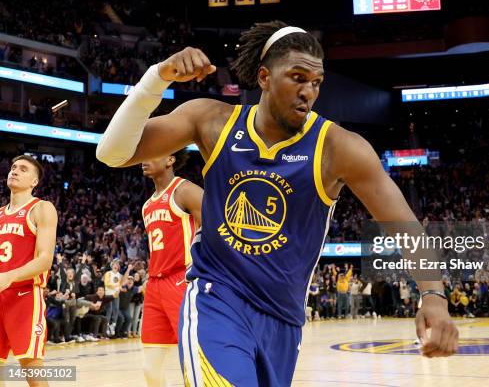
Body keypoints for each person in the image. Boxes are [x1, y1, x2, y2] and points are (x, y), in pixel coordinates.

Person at [96, 20, 458, 386]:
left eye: (316, 83)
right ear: (265, 77)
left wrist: (434, 297)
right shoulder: (212, 121)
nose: (308, 91)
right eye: (297, 77)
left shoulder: (338, 147)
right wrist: (158, 77)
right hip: (216, 297)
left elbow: (404, 225)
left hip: (283, 320)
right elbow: (112, 153)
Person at [140, 151, 202, 387]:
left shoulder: (184, 190)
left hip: (181, 280)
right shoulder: (147, 205)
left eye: (152, 152)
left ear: (170, 159)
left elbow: (215, 224)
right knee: (150, 368)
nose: (144, 159)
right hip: (155, 284)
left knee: (193, 358)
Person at [0, 155, 58, 387]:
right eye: (13, 167)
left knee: (32, 372)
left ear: (34, 181)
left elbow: (44, 259)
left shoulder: (42, 208)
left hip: (25, 297)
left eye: (23, 169)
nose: (15, 171)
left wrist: (9, 276)